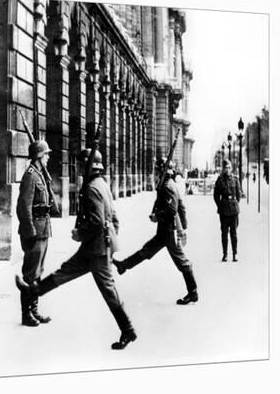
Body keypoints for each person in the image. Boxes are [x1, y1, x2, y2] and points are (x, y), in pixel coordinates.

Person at [16, 149, 136, 349]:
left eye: (81, 165)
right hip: (95, 247)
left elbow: (97, 221)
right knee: (64, 271)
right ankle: (32, 292)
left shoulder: (91, 188)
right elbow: (114, 218)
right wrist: (110, 241)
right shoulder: (102, 184)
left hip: (96, 250)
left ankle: (128, 330)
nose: (79, 168)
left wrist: (81, 233)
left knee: (108, 290)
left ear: (87, 166)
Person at [112, 158, 198, 306]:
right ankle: (124, 266)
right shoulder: (165, 185)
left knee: (182, 261)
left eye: (157, 170)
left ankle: (193, 292)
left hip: (169, 231)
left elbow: (172, 211)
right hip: (164, 231)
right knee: (147, 250)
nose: (156, 172)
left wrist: (157, 216)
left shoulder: (167, 186)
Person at [16, 140, 56, 327]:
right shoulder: (31, 176)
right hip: (34, 231)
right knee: (30, 273)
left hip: (43, 229)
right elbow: (24, 207)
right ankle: (26, 314)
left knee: (38, 272)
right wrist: (30, 231)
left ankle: (34, 310)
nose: (48, 157)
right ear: (39, 156)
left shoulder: (40, 175)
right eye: (46, 154)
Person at [213, 159, 242, 262]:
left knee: (234, 233)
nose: (228, 170)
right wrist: (220, 205)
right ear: (223, 169)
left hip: (234, 210)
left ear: (231, 168)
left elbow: (238, 196)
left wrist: (235, 204)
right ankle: (225, 254)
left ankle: (235, 254)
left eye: (229, 167)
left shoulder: (235, 179)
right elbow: (216, 195)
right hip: (224, 210)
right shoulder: (220, 180)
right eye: (226, 168)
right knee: (224, 233)